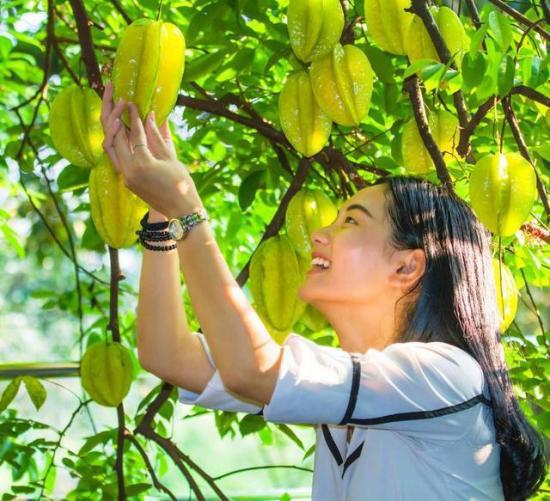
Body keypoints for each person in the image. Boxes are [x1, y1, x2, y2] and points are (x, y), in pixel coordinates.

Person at [100, 82, 547, 501]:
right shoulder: (354, 391)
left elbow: (250, 369)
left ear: (406, 265)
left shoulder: (445, 375)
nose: (318, 234)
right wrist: (162, 213)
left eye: (350, 221)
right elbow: (167, 355)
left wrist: (187, 210)